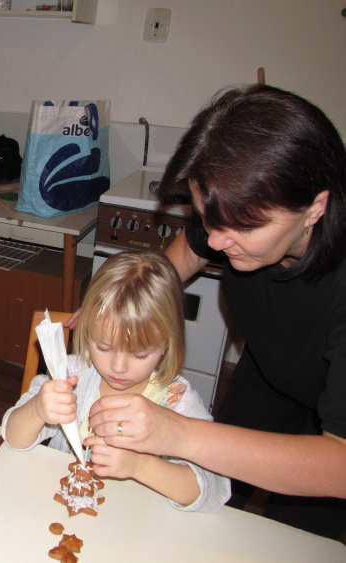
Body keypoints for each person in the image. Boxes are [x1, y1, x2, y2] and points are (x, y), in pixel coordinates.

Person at [89, 84, 346, 539]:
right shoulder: (228, 218)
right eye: (209, 218)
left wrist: (180, 434)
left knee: (297, 536)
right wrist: (119, 308)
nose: (217, 241)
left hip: (332, 439)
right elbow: (182, 257)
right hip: (266, 373)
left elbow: (339, 466)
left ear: (315, 208)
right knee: (222, 510)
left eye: (242, 228)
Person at [2, 251, 230, 512]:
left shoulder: (177, 400)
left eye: (140, 354)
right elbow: (13, 438)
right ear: (87, 331)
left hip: (136, 524)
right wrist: (37, 410)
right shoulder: (73, 375)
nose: (118, 367)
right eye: (103, 347)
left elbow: (214, 490)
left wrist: (139, 465)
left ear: (167, 345)